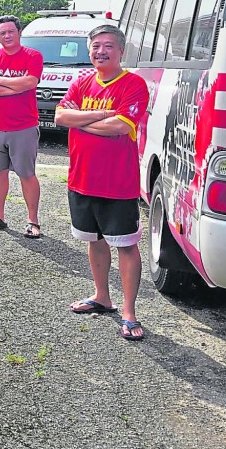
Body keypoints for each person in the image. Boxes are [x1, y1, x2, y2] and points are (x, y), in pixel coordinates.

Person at [55, 24, 149, 341]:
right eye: (95, 46)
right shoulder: (81, 83)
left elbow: (120, 127)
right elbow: (60, 117)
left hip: (118, 184)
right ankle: (101, 296)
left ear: (121, 50)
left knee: (125, 246)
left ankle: (129, 312)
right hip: (81, 180)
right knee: (93, 240)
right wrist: (101, 117)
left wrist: (82, 121)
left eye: (108, 46)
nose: (101, 51)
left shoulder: (134, 84)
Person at [0, 15, 44, 238]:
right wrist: (14, 88)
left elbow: (30, 82)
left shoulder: (33, 56)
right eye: (2, 33)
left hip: (24, 126)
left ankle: (32, 221)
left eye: (10, 31)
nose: (7, 36)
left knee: (27, 174)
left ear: (19, 32)